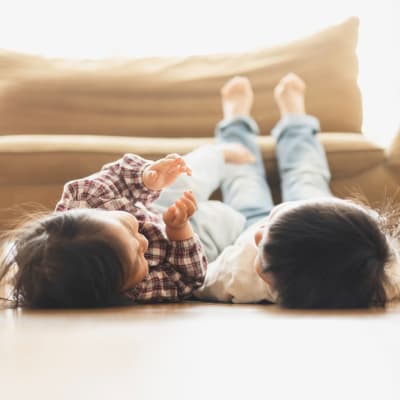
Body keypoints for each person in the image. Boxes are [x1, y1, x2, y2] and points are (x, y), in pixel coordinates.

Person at [194, 73, 400, 308]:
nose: (258, 234)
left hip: (247, 223)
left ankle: (235, 122)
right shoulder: (388, 272)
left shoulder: (238, 274)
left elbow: (198, 280)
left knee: (243, 181)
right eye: (271, 221)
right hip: (312, 213)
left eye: (262, 263)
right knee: (305, 175)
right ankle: (295, 118)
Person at [0, 136, 255, 308]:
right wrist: (179, 231)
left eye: (129, 228)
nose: (143, 240)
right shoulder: (138, 289)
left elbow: (117, 175)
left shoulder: (85, 198)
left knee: (182, 177)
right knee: (226, 221)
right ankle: (242, 209)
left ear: (94, 213)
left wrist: (147, 178)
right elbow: (186, 279)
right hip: (181, 245)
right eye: (139, 257)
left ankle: (218, 153)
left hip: (150, 203)